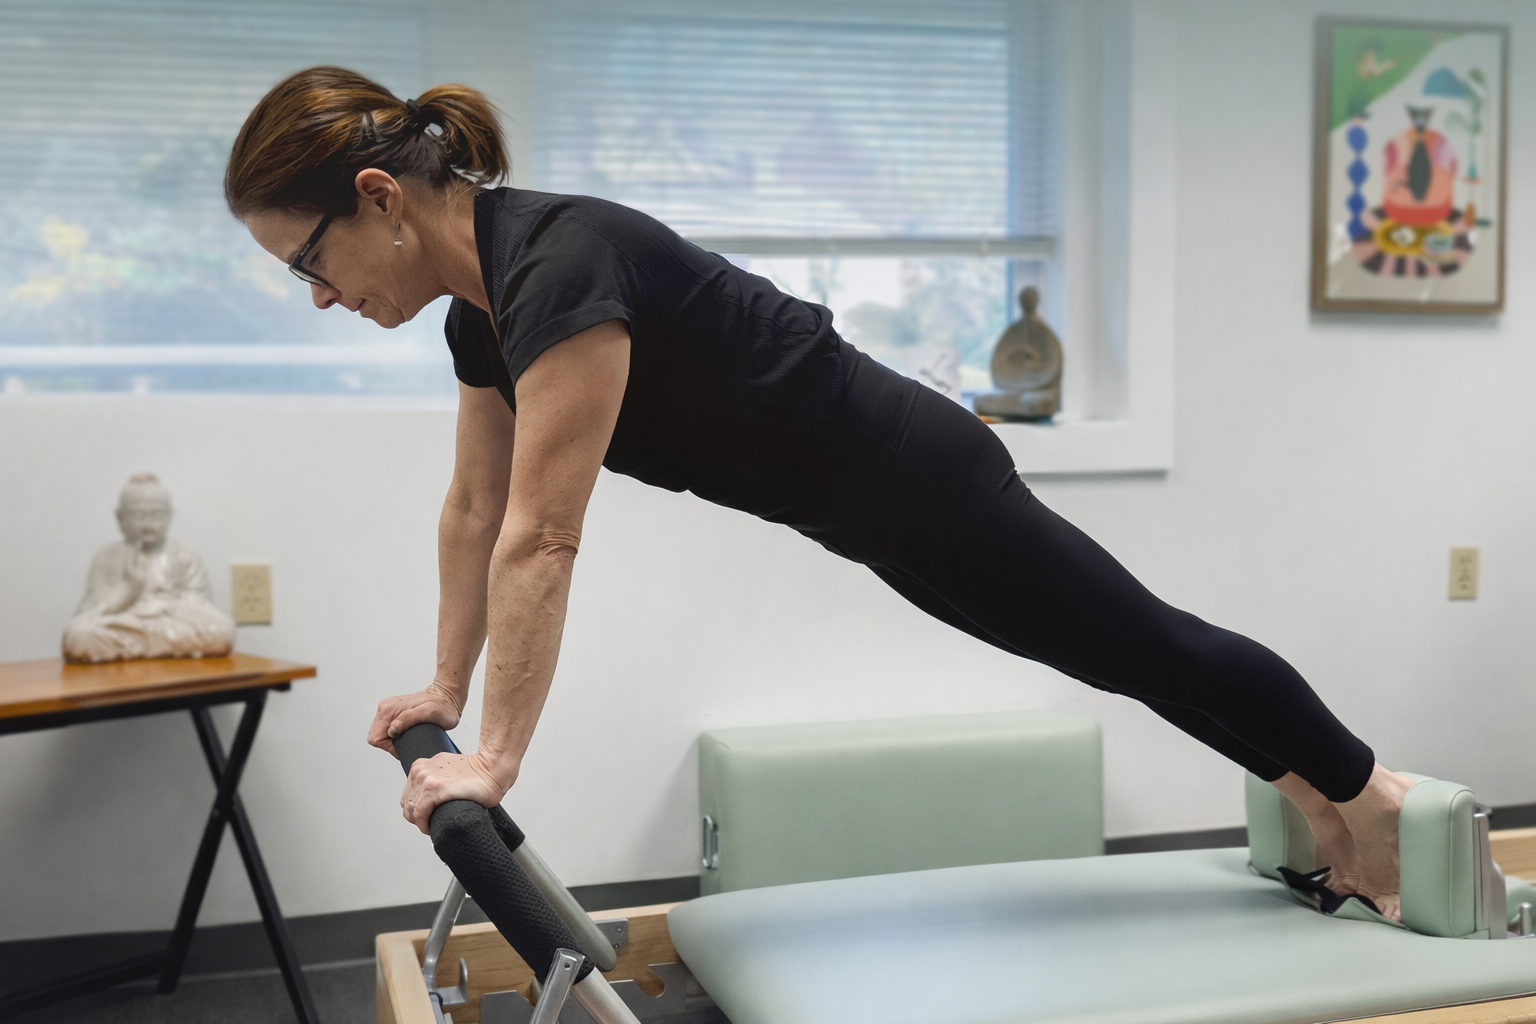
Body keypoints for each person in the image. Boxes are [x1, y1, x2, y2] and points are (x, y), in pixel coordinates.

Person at [227, 67, 1414, 918]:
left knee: (1151, 640)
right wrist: (444, 682)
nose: (318, 294)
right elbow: (474, 515)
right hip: (868, 511)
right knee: (1117, 657)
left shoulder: (559, 267)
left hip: (917, 471)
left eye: (307, 260)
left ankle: (1382, 797)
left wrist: (491, 754)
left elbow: (542, 538)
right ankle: (1327, 809)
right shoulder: (484, 323)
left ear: (379, 198)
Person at [62, 473, 235, 663]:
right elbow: (90, 614)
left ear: (170, 516)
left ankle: (139, 646)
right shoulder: (107, 556)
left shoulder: (185, 554)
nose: (148, 524)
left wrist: (165, 607)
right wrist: (127, 591)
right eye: (138, 515)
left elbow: (201, 606)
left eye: (156, 515)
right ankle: (155, 646)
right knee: (78, 635)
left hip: (169, 623)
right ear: (120, 518)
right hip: (128, 624)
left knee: (223, 629)